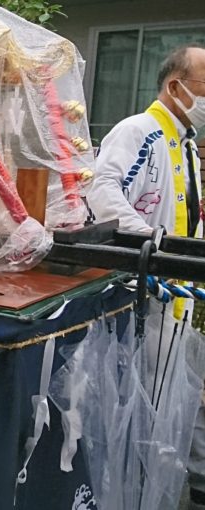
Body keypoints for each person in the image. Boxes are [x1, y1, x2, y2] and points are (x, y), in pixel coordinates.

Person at [87, 44, 205, 508]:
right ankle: (128, 493)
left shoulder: (186, 144)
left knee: (168, 404)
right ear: (176, 86)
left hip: (177, 297)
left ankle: (152, 492)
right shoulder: (140, 131)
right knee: (140, 406)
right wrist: (155, 246)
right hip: (145, 297)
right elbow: (103, 189)